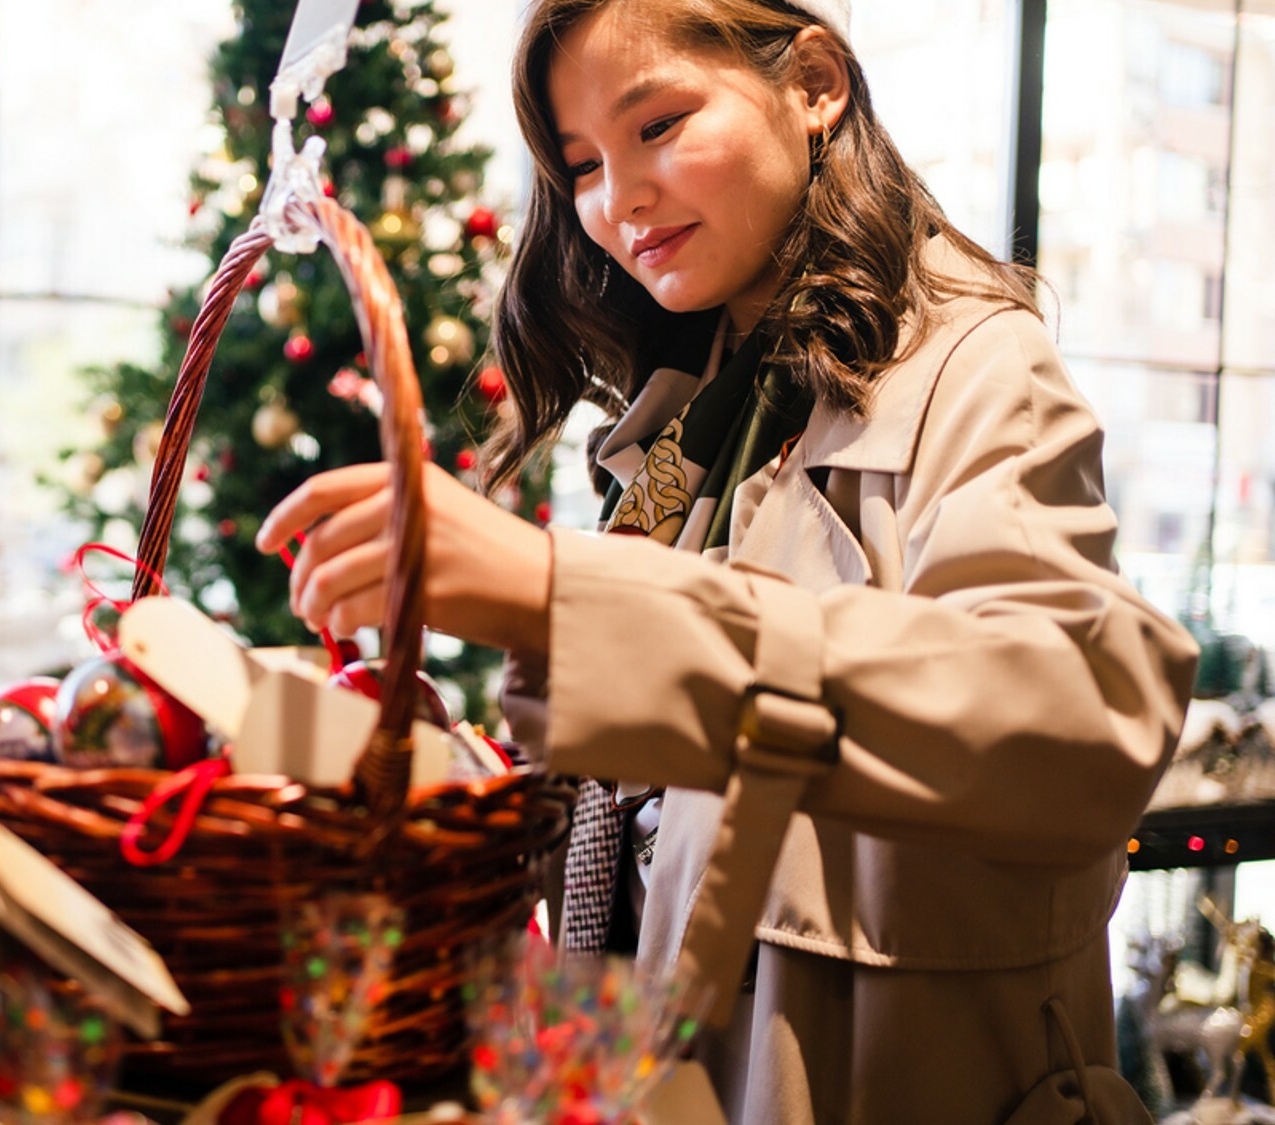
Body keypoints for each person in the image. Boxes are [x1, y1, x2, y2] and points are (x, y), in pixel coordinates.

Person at [257, 0, 1199, 1120]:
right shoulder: (699, 411)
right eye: (582, 169)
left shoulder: (977, 368)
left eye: (655, 125)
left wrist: (565, 593)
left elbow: (1083, 720)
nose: (617, 201)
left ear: (811, 84)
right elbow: (666, 823)